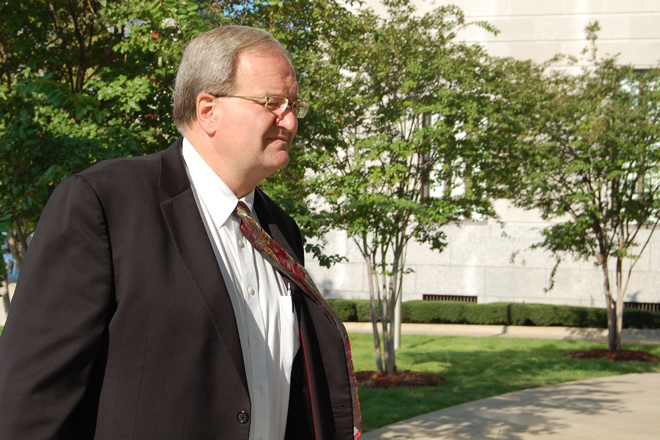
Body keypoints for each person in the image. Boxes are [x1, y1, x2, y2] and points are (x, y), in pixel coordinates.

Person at [0, 26, 361, 440]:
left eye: (293, 104)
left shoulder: (280, 231)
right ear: (207, 109)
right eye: (272, 103)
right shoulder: (103, 204)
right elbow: (31, 404)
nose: (291, 120)